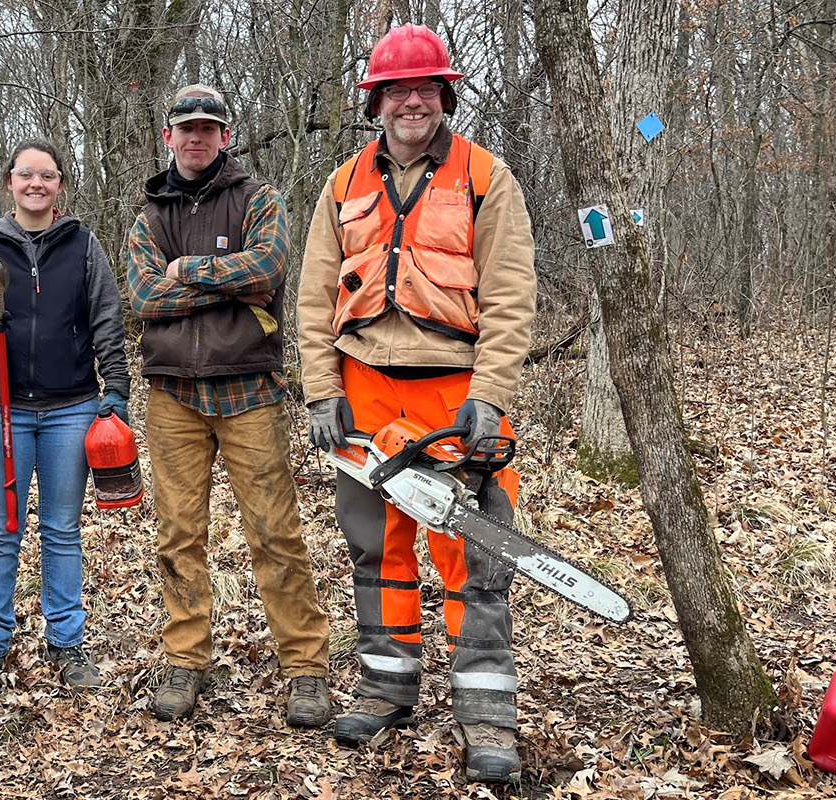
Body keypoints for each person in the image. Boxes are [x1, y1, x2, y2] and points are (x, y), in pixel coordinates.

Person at [294, 24, 537, 783]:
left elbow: (509, 296)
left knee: (473, 547)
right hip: (363, 384)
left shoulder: (484, 176)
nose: (411, 102)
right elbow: (312, 298)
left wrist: (491, 395)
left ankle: (487, 711)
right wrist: (321, 391)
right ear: (376, 101)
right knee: (378, 542)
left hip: (453, 387)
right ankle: (387, 684)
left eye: (424, 88)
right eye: (397, 90)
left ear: (445, 95)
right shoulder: (343, 183)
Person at [124, 85, 332, 727]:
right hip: (172, 398)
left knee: (274, 532)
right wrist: (216, 281)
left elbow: (267, 270)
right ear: (169, 137)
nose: (196, 137)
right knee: (179, 534)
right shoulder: (148, 216)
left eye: (208, 127)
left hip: (249, 391)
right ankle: (186, 660)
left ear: (225, 135)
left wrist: (183, 271)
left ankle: (305, 667)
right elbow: (143, 299)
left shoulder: (258, 198)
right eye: (185, 127)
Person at [0, 141, 131, 697]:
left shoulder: (83, 245)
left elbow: (106, 313)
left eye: (47, 175)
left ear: (60, 184)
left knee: (61, 529)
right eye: (26, 174)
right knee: (1, 530)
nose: (36, 183)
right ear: (9, 181)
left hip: (70, 407)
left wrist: (117, 385)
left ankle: (67, 642)